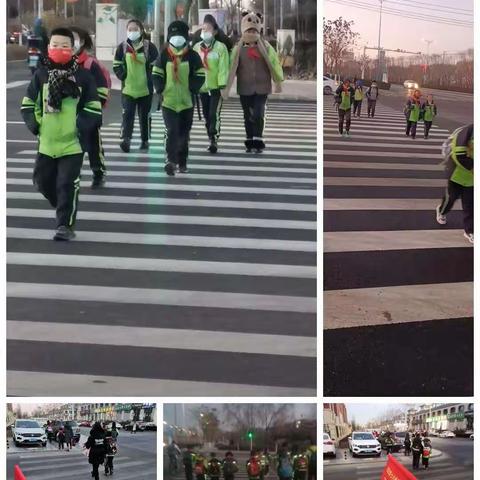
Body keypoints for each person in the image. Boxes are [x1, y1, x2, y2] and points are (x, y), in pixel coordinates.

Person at [21, 26, 102, 241]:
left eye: (64, 46)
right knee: (42, 182)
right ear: (48, 48)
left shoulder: (83, 77)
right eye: (55, 45)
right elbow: (28, 104)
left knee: (67, 183)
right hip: (46, 142)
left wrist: (79, 127)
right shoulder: (40, 75)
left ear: (72, 49)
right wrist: (36, 125)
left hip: (72, 144)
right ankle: (63, 205)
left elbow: (94, 107)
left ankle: (64, 224)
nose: (59, 49)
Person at [223, 10, 284, 153]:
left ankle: (258, 138)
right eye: (249, 29)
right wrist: (225, 86)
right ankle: (249, 138)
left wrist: (278, 81)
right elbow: (231, 67)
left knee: (258, 113)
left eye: (253, 29)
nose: (251, 32)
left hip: (262, 86)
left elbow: (274, 64)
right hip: (244, 87)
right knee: (247, 115)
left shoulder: (266, 47)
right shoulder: (238, 48)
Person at [152, 21, 205, 175]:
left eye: (180, 35)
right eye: (173, 35)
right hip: (168, 102)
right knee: (172, 131)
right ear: (169, 37)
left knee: (183, 134)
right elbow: (156, 73)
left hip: (187, 103)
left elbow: (200, 74)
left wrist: (193, 87)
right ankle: (170, 160)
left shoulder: (193, 56)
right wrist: (160, 88)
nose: (177, 38)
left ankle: (182, 162)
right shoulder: (164, 56)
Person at [70, 26, 110, 188]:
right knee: (72, 148)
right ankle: (72, 174)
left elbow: (102, 90)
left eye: (74, 39)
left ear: (82, 42)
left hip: (89, 115)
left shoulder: (90, 64)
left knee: (93, 146)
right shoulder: (59, 64)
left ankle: (98, 172)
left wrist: (93, 109)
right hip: (68, 116)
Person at [113, 19, 158, 153]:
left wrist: (152, 77)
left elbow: (156, 64)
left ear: (141, 30)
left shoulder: (149, 47)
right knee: (128, 115)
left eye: (135, 29)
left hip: (145, 89)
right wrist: (123, 75)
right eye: (130, 29)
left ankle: (145, 140)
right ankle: (126, 140)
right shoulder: (123, 47)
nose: (132, 31)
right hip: (128, 89)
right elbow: (116, 64)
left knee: (144, 116)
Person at [193, 15, 230, 154]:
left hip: (215, 88)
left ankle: (214, 139)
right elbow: (194, 68)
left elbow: (223, 68)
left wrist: (222, 86)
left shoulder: (221, 48)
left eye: (208, 29)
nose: (205, 31)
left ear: (214, 31)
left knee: (214, 114)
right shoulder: (197, 48)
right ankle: (210, 136)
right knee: (206, 115)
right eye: (203, 28)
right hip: (202, 88)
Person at [436, 123, 474, 243]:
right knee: (451, 198)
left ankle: (470, 231)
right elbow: (459, 154)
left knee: (470, 204)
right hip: (456, 173)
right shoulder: (468, 131)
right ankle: (441, 210)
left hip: (472, 178)